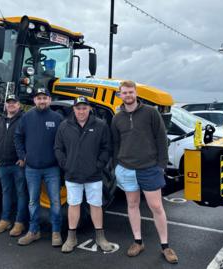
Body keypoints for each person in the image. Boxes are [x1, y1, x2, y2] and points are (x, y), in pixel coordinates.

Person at [111, 80, 178, 263]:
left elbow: (161, 138)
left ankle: (165, 246)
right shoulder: (117, 118)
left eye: (130, 92)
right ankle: (138, 241)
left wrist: (161, 165)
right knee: (132, 205)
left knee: (156, 207)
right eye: (124, 93)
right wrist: (118, 164)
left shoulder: (151, 113)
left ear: (136, 93)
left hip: (149, 168)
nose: (128, 95)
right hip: (126, 169)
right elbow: (115, 143)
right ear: (120, 95)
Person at [54, 96, 114, 253]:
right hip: (72, 174)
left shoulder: (100, 125)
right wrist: (65, 165)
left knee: (96, 204)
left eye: (84, 108)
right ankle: (71, 237)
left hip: (93, 175)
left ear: (89, 109)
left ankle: (100, 237)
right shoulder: (64, 126)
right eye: (78, 108)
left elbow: (106, 148)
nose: (81, 111)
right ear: (74, 109)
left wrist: (99, 165)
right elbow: (58, 148)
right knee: (73, 205)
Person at [15, 88, 64, 247]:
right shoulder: (26, 117)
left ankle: (56, 232)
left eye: (45, 98)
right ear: (34, 100)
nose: (42, 101)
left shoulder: (57, 118)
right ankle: (33, 231)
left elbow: (64, 141)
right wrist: (22, 156)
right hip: (32, 169)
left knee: (55, 201)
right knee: (32, 201)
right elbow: (18, 137)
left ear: (50, 100)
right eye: (39, 98)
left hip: (52, 169)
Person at [0, 94, 28, 237]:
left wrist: (23, 157)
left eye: (14, 103)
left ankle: (19, 222)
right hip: (2, 163)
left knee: (21, 194)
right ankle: (5, 220)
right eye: (9, 103)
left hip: (17, 164)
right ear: (5, 105)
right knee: (6, 193)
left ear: (19, 105)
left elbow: (29, 139)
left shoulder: (24, 120)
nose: (11, 105)